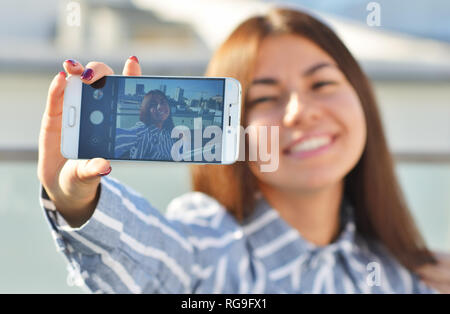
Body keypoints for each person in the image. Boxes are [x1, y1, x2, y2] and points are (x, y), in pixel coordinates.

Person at [37, 8, 450, 293]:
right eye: (265, 97)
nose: (299, 112)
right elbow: (156, 261)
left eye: (322, 84)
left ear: (361, 97)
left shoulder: (404, 276)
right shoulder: (211, 244)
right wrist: (76, 200)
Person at [114, 89, 176, 160]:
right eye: (153, 104)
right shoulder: (143, 131)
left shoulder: (168, 132)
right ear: (146, 110)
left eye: (163, 102)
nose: (159, 107)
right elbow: (117, 137)